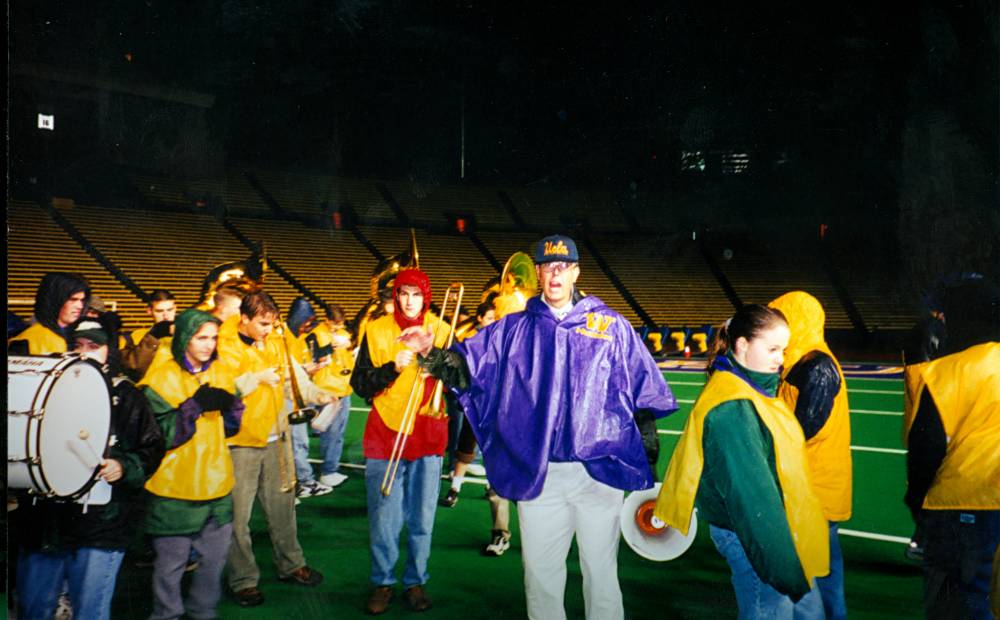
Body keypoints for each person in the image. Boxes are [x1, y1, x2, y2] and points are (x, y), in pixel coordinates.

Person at [415, 235, 676, 620]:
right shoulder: (510, 330)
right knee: (540, 579)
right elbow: (467, 369)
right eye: (547, 267)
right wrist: (430, 354)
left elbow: (642, 398)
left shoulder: (611, 326)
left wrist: (648, 468)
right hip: (540, 474)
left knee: (602, 575)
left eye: (562, 266)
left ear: (575, 272)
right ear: (537, 273)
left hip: (599, 474)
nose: (554, 273)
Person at [654, 304, 828, 619]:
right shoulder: (733, 408)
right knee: (768, 610)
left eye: (783, 350)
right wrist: (786, 569)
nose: (781, 359)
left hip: (757, 529)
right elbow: (752, 498)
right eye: (773, 349)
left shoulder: (746, 388)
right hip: (752, 536)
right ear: (743, 345)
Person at [14, 314, 165, 620]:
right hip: (47, 523)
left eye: (94, 345)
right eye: (77, 344)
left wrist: (123, 466)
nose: (83, 352)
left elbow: (151, 448)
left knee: (90, 612)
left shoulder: (127, 395)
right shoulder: (45, 388)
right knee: (34, 609)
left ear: (110, 349)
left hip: (102, 524)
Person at [217, 291, 327, 607]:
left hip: (276, 436)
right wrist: (257, 378)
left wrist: (318, 395)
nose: (270, 329)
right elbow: (224, 390)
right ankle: (242, 580)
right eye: (263, 324)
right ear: (245, 319)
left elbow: (293, 375)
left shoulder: (275, 339)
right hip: (241, 443)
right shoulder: (224, 344)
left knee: (283, 506)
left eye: (273, 323)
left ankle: (291, 564)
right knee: (238, 516)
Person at [350, 268, 450, 615]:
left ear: (427, 297)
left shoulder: (442, 329)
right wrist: (392, 368)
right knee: (384, 517)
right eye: (403, 294)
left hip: (429, 434)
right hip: (385, 434)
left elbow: (460, 380)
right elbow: (361, 386)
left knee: (423, 518)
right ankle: (383, 582)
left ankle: (416, 580)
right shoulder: (376, 330)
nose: (409, 302)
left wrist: (433, 359)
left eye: (416, 295)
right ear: (395, 295)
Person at [140, 309, 245, 620]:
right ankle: (166, 615)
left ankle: (203, 613)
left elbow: (230, 426)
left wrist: (231, 409)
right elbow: (157, 437)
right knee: (170, 566)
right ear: (184, 338)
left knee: (214, 561)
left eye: (213, 338)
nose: (209, 344)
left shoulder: (223, 373)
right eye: (201, 338)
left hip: (216, 484)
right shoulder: (159, 379)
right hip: (174, 488)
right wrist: (194, 407)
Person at [903, 278, 999, 619]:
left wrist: (917, 503)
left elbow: (925, 448)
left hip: (961, 505)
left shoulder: (946, 372)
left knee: (954, 604)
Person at [769, 291, 851, 620]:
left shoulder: (816, 366)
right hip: (813, 485)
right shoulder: (803, 362)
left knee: (808, 579)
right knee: (826, 573)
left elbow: (802, 429)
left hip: (813, 489)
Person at [284, 297, 335, 499]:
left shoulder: (297, 336)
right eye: (306, 320)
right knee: (297, 441)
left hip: (300, 390)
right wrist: (304, 370)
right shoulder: (284, 338)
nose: (308, 325)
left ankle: (299, 482)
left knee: (297, 441)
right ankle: (303, 481)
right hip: (287, 395)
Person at [302, 303, 356, 490]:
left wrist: (348, 344)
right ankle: (328, 471)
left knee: (328, 432)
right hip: (329, 391)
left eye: (339, 325)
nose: (337, 328)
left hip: (339, 387)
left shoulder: (344, 334)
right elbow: (311, 358)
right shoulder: (316, 334)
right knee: (333, 434)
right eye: (334, 325)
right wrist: (329, 349)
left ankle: (326, 470)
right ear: (326, 320)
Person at [8, 272, 90, 355]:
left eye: (82, 300)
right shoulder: (28, 340)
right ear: (55, 301)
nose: (80, 306)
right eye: (73, 300)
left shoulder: (83, 334)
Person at [121, 289, 177, 381]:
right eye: (159, 311)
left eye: (170, 310)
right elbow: (134, 368)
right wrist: (153, 337)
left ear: (175, 308)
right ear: (149, 311)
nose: (166, 316)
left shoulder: (189, 335)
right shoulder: (136, 337)